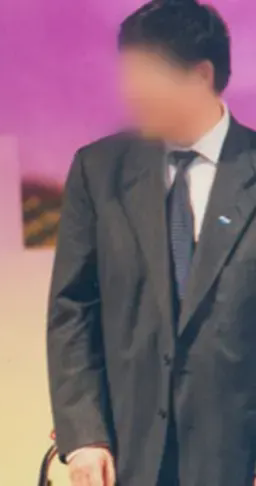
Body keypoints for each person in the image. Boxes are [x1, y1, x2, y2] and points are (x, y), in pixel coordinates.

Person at [46, 1, 256, 485]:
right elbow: (72, 308)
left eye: (146, 73)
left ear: (201, 75)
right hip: (129, 454)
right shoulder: (99, 170)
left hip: (237, 455)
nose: (130, 91)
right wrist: (85, 436)